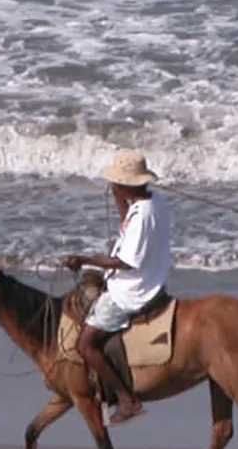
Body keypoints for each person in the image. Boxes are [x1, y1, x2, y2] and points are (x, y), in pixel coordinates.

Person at [61, 149, 173, 424]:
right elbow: (128, 221)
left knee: (85, 344)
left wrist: (84, 259)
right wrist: (118, 197)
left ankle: (127, 398)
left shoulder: (142, 216)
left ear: (125, 183)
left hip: (133, 290)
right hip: (152, 274)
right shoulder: (155, 201)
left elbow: (124, 262)